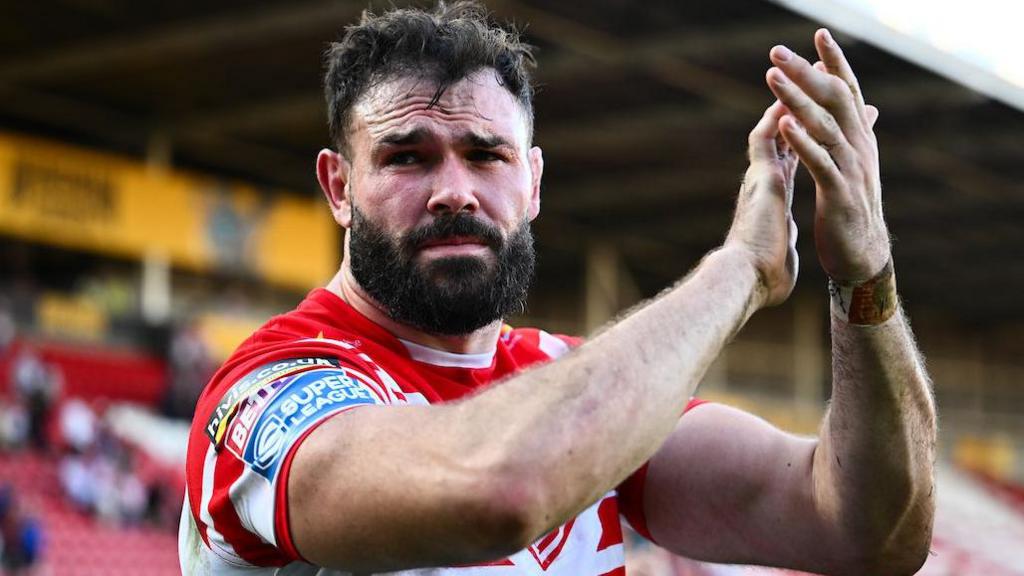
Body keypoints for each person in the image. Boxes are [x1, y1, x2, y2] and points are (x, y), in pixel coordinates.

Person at [179, 3, 936, 575]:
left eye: (487, 155)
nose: (454, 191)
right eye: (407, 157)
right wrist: (742, 267)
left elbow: (868, 533)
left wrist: (863, 275)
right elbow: (499, 491)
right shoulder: (270, 388)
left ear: (534, 182)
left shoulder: (570, 382)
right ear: (339, 187)